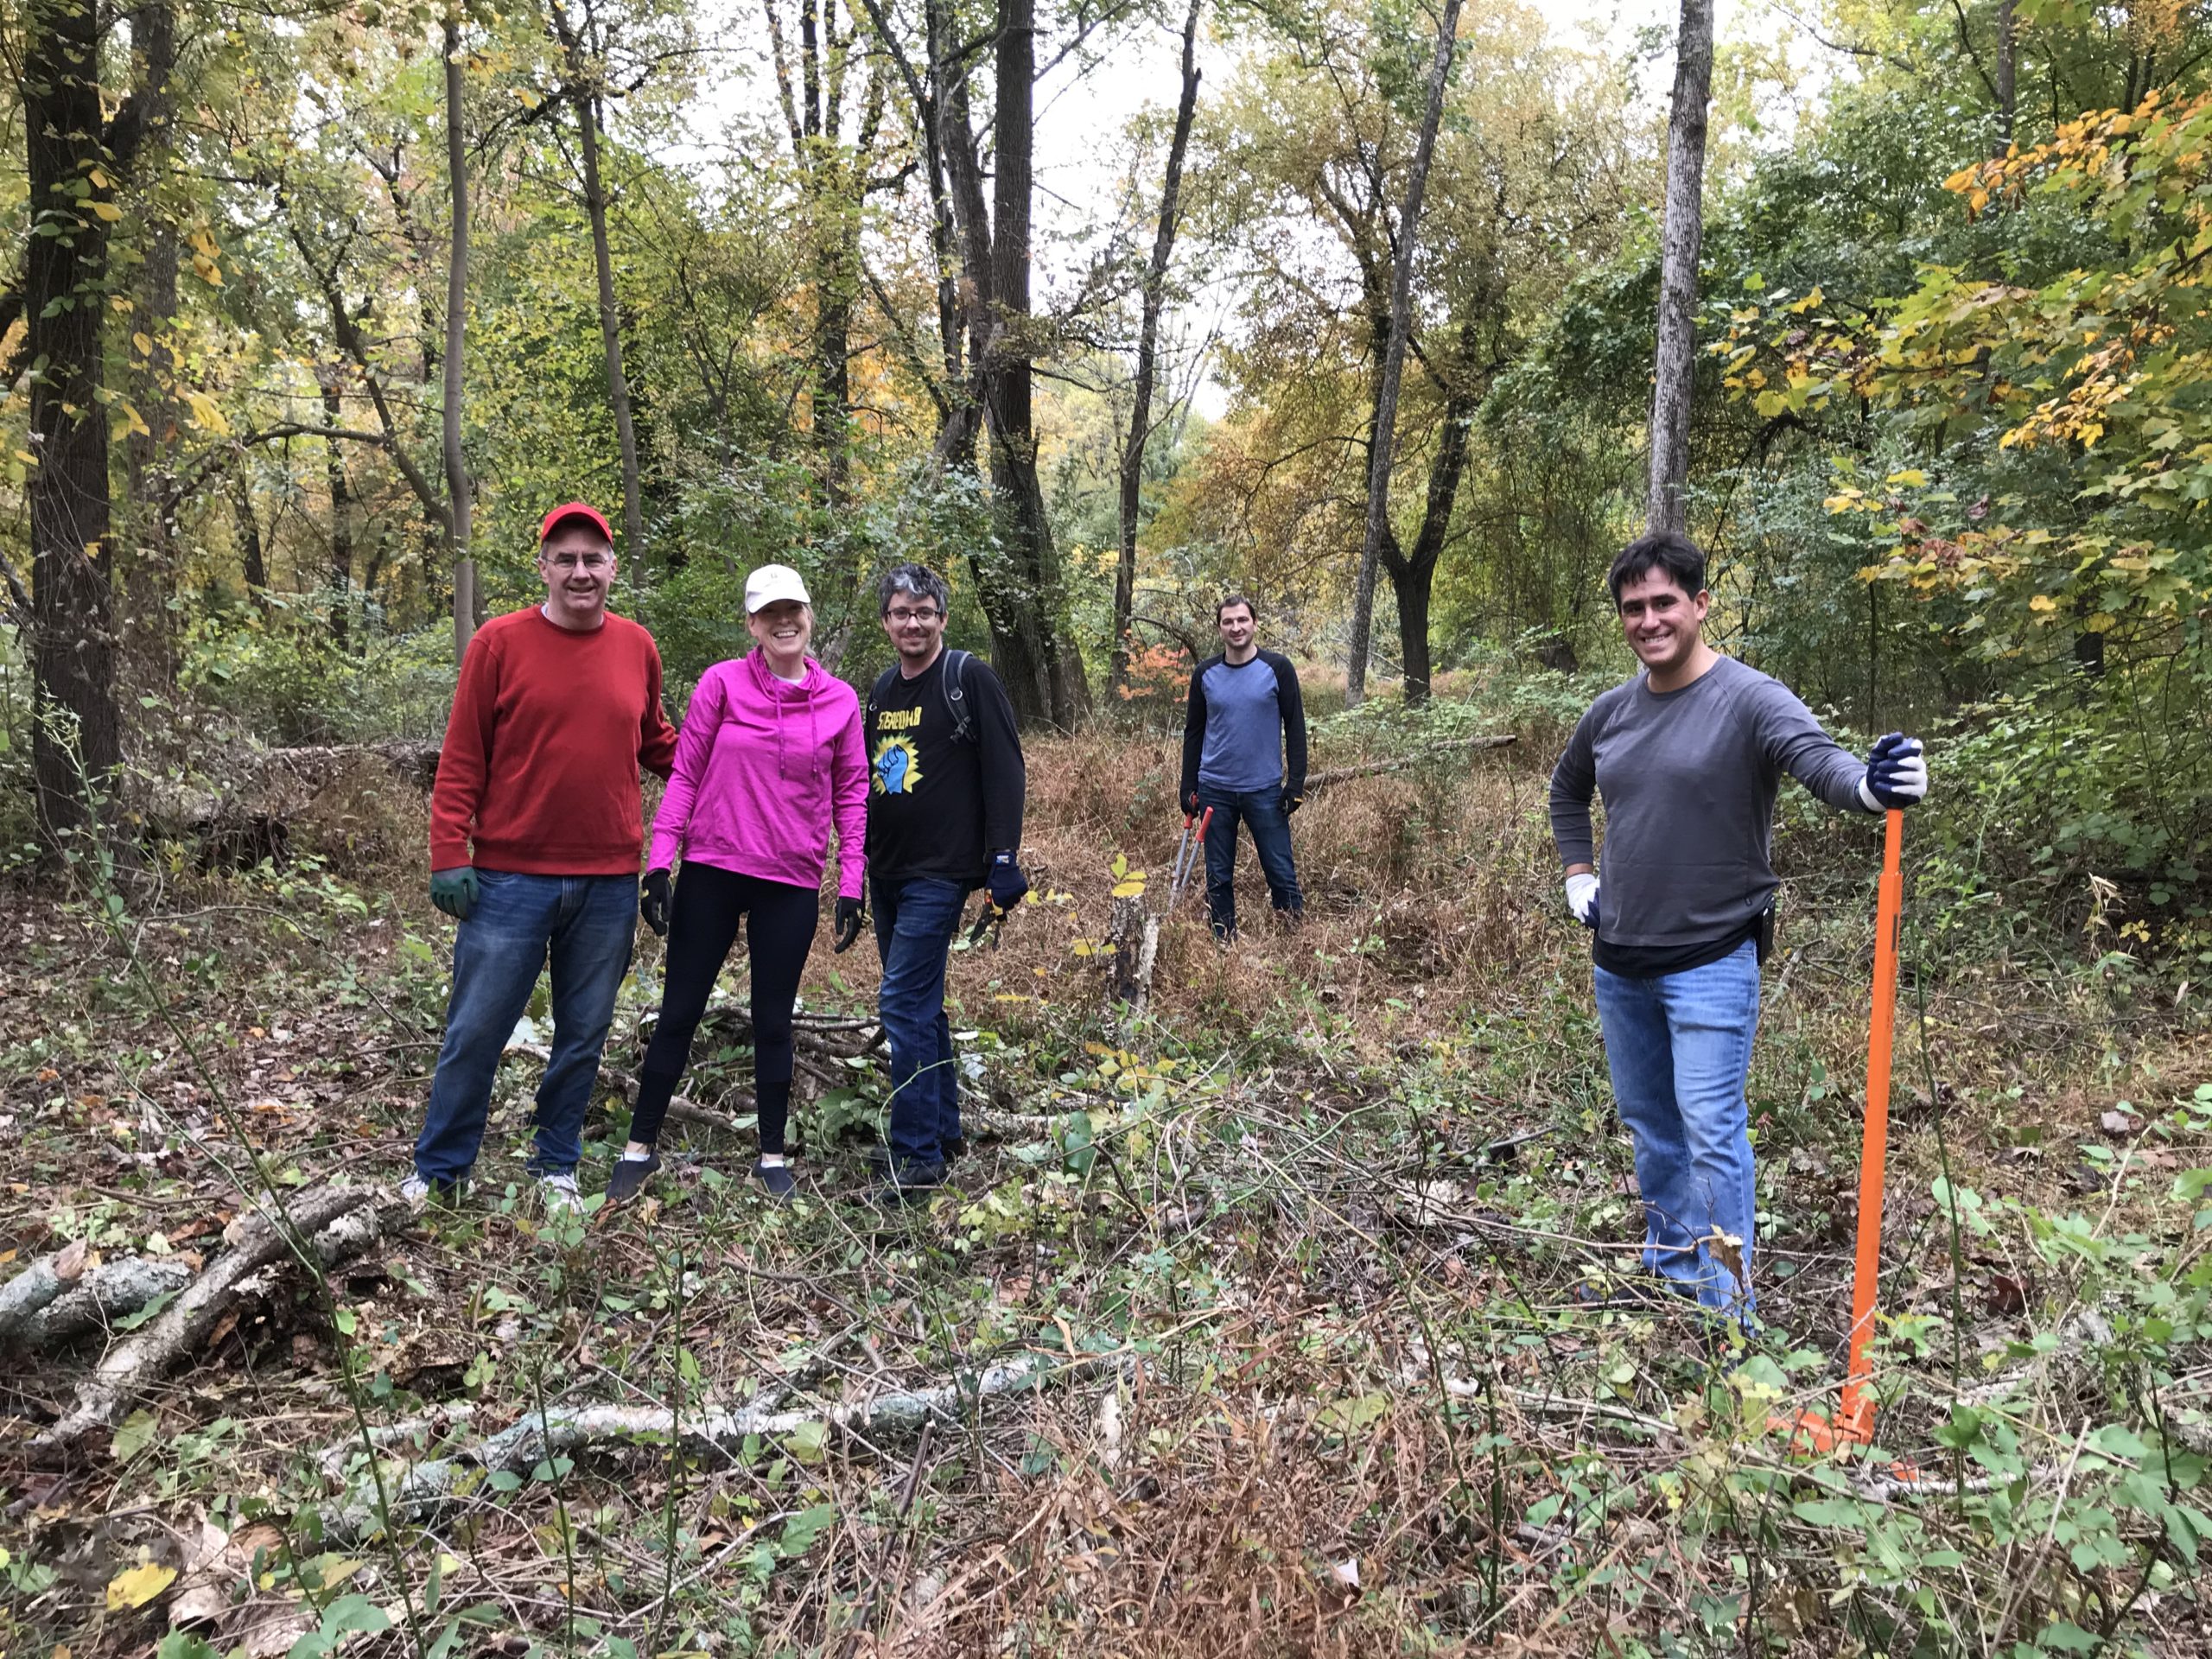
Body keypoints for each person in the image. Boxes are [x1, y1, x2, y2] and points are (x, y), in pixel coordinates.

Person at [1548, 529, 1928, 1320]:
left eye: (1664, 603)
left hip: (1712, 960)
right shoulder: (1610, 712)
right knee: (1651, 1125)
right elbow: (1566, 792)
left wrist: (1870, 788)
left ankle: (1728, 1309)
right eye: (1633, 608)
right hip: (1619, 960)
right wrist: (1579, 873)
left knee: (1711, 1131)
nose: (1649, 620)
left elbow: (1820, 764)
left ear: (1698, 605)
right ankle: (1672, 1264)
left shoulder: (1750, 697)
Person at [410, 501, 678, 1213]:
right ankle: (441, 1169)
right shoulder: (499, 644)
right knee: (476, 1029)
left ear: (613, 568)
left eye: (594, 559)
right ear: (545, 568)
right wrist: (447, 851)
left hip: (610, 881)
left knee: (583, 1034)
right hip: (508, 879)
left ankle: (554, 1162)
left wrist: (733, 758)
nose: (581, 571)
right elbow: (464, 755)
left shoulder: (637, 647)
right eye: (567, 559)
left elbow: (656, 743)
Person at [607, 565, 868, 1204]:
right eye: (769, 612)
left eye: (794, 609)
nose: (784, 621)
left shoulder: (840, 701)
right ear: (752, 623)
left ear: (809, 615)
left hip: (790, 881)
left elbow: (853, 794)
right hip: (715, 871)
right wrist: (660, 862)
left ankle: (772, 1157)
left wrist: (852, 882)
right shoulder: (722, 684)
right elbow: (687, 775)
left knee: (773, 1020)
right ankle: (639, 1149)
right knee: (679, 1012)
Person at [862, 563, 1027, 1200]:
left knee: (901, 1003)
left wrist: (1003, 856)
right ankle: (943, 1131)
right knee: (921, 1007)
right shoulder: (880, 689)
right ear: (886, 621)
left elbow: (1006, 768)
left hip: (942, 870)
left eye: (924, 612)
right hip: (889, 869)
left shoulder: (967, 678)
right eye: (902, 612)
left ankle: (916, 1156)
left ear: (942, 618)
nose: (913, 622)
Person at [1179, 594, 1308, 938]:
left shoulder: (1278, 669)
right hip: (1214, 790)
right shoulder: (1205, 673)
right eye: (1228, 622)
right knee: (1218, 875)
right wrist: (1186, 785)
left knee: (1280, 870)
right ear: (1220, 628)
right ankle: (1224, 943)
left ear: (1254, 623)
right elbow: (1194, 732)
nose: (1236, 627)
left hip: (1265, 790)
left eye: (1242, 620)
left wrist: (1296, 784)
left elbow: (1295, 726)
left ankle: (1294, 941)